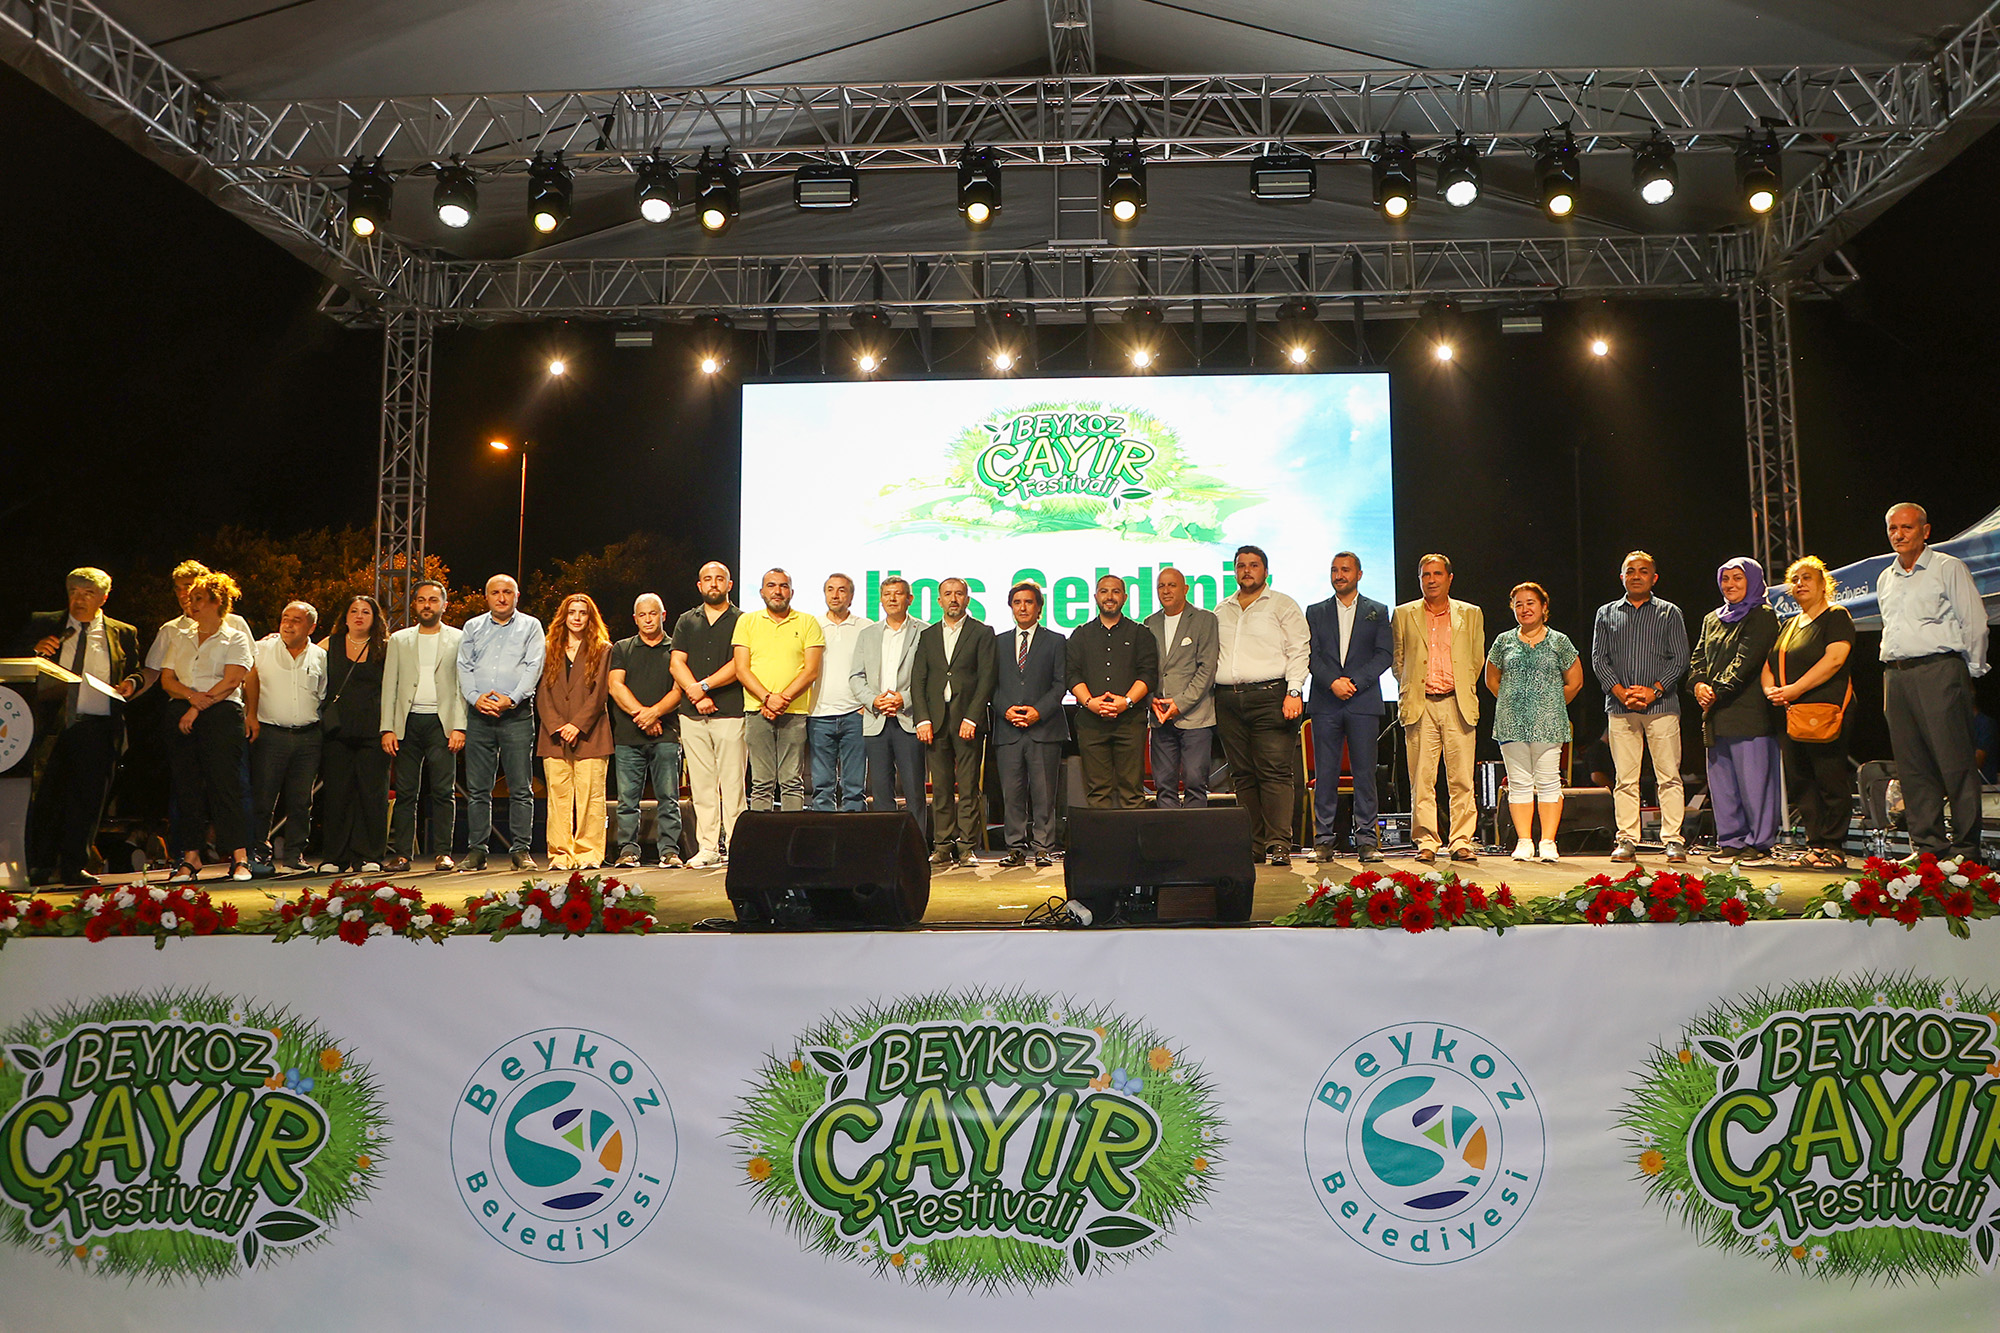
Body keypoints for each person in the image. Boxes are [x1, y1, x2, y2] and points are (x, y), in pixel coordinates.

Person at [1876, 502, 1988, 860]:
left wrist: (1970, 670)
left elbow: (1974, 622)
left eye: (1907, 527)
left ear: (1925, 531)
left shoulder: (1947, 567)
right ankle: (1928, 848)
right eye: (1893, 528)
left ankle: (1965, 850)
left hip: (1939, 670)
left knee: (1955, 762)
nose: (1899, 535)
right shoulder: (1885, 577)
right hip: (1896, 675)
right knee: (1912, 765)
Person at [20, 567, 143, 887]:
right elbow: (17, 662)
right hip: (52, 725)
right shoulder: (45, 623)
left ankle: (75, 865)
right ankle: (40, 865)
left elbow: (135, 670)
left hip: (98, 726)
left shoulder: (122, 632)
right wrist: (35, 652)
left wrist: (131, 683)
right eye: (74, 591)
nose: (79, 599)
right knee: (46, 796)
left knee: (88, 800)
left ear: (104, 598)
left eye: (88, 593)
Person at [1591, 551, 1691, 863]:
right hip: (1620, 708)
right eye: (1630, 570)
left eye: (1643, 571)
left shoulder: (1669, 612)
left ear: (1654, 578)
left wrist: (1654, 691)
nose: (1636, 575)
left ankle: (1673, 840)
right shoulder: (1606, 613)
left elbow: (1680, 658)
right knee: (1624, 778)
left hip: (1661, 706)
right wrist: (1621, 693)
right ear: (1621, 576)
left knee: (1668, 776)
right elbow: (1599, 659)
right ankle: (1626, 839)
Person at [1213, 545, 1310, 865]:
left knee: (1275, 772)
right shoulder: (1221, 609)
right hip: (1228, 699)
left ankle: (1279, 844)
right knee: (1242, 775)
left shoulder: (1282, 604)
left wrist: (1294, 691)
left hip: (1271, 697)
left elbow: (1299, 650)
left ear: (1265, 571)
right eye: (1241, 565)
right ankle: (1253, 845)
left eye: (1253, 565)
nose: (1247, 571)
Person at [1762, 556, 1857, 871]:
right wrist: (1771, 690)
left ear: (1823, 584)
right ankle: (1815, 844)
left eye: (1807, 578)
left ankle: (1834, 845)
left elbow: (1834, 659)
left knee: (1829, 777)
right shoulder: (1790, 624)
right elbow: (1770, 662)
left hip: (1824, 710)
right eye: (1795, 579)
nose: (1800, 584)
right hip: (1790, 713)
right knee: (1801, 780)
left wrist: (1796, 689)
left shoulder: (1836, 616)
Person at [158, 571, 253, 882]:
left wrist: (196, 707)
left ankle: (239, 857)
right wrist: (190, 698)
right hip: (182, 709)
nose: (191, 603)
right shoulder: (180, 635)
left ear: (216, 602)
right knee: (186, 786)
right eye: (190, 598)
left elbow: (232, 680)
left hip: (220, 713)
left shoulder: (234, 636)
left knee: (225, 785)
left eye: (198, 598)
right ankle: (191, 857)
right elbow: (168, 679)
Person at [1392, 554, 1487, 864]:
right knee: (1422, 779)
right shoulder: (1403, 614)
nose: (1431, 580)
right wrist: (1413, 688)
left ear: (1449, 578)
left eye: (1437, 574)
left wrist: (1458, 686)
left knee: (1461, 779)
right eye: (1425, 575)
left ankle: (1461, 840)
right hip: (1421, 705)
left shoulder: (1470, 613)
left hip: (1457, 703)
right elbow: (1398, 662)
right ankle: (1426, 841)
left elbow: (1476, 660)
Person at [1691, 558, 1783, 864]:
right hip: (1716, 714)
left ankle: (1759, 843)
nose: (1730, 584)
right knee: (1723, 785)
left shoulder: (1763, 616)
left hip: (1750, 713)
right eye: (1725, 579)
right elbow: (1698, 658)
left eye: (1737, 578)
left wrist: (1715, 691)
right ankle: (1731, 841)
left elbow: (1746, 660)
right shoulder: (1711, 619)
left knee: (1755, 784)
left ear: (1753, 581)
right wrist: (1698, 685)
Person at [1483, 582, 1583, 863]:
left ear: (1543, 607)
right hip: (1511, 723)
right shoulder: (1503, 641)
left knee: (1549, 781)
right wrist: (1513, 703)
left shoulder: (1559, 641)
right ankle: (1524, 841)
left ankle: (1548, 842)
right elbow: (1492, 680)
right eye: (1519, 604)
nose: (1525, 609)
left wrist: (1549, 704)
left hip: (1549, 723)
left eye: (1530, 603)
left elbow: (1575, 682)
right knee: (1518, 782)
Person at [1305, 552, 1392, 862]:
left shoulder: (1377, 611)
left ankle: (1367, 841)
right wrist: (1333, 682)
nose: (1339, 575)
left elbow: (1384, 654)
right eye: (1334, 570)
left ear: (1359, 574)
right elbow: (1310, 654)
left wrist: (1353, 682)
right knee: (1325, 773)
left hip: (1362, 701)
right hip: (1326, 702)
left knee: (1365, 774)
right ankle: (1323, 841)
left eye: (1345, 570)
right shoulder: (1315, 612)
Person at [457, 574, 546, 872]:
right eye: (495, 592)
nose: (502, 598)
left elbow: (534, 666)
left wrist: (513, 698)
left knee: (521, 787)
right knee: (478, 789)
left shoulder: (531, 626)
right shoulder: (472, 626)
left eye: (507, 592)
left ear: (517, 596)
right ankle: (477, 851)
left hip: (516, 715)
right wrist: (474, 698)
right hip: (479, 715)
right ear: (487, 597)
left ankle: (521, 850)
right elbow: (464, 666)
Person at [379, 580, 465, 872]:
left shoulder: (459, 638)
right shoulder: (399, 639)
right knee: (405, 792)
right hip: (408, 723)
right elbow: (389, 685)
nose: (427, 605)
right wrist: (387, 728)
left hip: (442, 723)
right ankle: (403, 854)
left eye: (433, 600)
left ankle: (443, 853)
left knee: (443, 791)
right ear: (414, 604)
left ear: (444, 605)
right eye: (421, 600)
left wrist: (459, 726)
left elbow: (461, 686)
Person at [912, 577, 996, 866]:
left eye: (959, 593)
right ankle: (942, 844)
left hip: (967, 720)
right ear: (939, 600)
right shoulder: (928, 635)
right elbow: (918, 679)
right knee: (941, 787)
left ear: (967, 599)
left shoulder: (982, 632)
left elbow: (987, 678)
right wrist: (922, 719)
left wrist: (972, 717)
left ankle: (967, 846)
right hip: (935, 722)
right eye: (948, 594)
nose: (953, 599)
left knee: (969, 786)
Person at [671, 562, 745, 868]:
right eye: (707, 579)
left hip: (730, 711)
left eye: (719, 579)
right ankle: (708, 847)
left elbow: (740, 665)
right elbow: (676, 663)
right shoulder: (687, 620)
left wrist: (703, 687)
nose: (713, 583)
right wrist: (696, 694)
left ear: (729, 584)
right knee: (701, 785)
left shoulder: (743, 620)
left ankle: (737, 846)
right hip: (692, 714)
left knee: (733, 783)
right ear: (699, 585)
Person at [732, 569, 824, 813]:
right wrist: (767, 698)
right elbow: (741, 669)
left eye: (783, 586)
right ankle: (763, 836)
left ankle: (792, 835)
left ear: (791, 592)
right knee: (761, 783)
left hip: (794, 711)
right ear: (762, 592)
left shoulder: (808, 622)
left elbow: (811, 671)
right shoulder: (747, 621)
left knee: (792, 781)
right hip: (757, 710)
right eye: (771, 585)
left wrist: (781, 700)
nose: (778, 591)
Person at [244, 600, 325, 872]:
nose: (288, 624)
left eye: (296, 620)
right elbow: (245, 683)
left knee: (302, 801)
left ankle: (294, 855)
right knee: (264, 798)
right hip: (270, 734)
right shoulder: (261, 649)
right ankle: (258, 854)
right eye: (285, 618)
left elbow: (323, 694)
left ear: (311, 627)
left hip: (308, 737)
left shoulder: (320, 656)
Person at [991, 582, 1069, 866]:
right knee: (1012, 793)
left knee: (1044, 793)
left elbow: (1061, 684)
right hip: (1008, 729)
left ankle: (1043, 847)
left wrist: (1038, 711)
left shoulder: (1056, 641)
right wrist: (1005, 710)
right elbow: (989, 685)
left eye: (1029, 602)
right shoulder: (997, 642)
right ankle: (1015, 847)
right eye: (1017, 602)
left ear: (1039, 607)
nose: (1022, 607)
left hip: (1044, 729)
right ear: (1011, 607)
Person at [1067, 575, 1158, 809]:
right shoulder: (1080, 635)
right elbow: (1072, 675)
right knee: (1098, 794)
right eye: (1104, 591)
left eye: (1116, 591)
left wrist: (1125, 702)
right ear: (1095, 596)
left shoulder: (1141, 633)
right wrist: (1091, 703)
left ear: (1125, 597)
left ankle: (1134, 836)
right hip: (1091, 724)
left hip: (1130, 722)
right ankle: (1102, 836)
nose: (1110, 597)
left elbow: (1148, 674)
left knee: (1132, 793)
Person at [609, 593, 686, 869]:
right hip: (628, 736)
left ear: (663, 615)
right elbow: (615, 686)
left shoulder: (676, 648)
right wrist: (643, 715)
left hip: (666, 734)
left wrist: (655, 714)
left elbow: (680, 689)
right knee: (627, 800)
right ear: (635, 619)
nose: (648, 619)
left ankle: (669, 851)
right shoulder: (622, 647)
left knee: (669, 797)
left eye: (653, 613)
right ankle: (628, 850)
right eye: (642, 615)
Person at [538, 594, 613, 871]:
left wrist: (577, 725)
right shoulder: (548, 648)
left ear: (590, 618)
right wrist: (558, 725)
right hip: (554, 736)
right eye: (572, 612)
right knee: (557, 798)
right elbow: (541, 693)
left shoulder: (603, 649)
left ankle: (588, 853)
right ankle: (560, 854)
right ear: (564, 616)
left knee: (591, 796)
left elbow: (600, 694)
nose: (577, 618)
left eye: (583, 613)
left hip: (591, 734)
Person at [316, 595, 390, 876]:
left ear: (375, 618)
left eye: (366, 612)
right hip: (337, 732)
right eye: (354, 611)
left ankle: (369, 855)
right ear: (345, 617)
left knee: (372, 795)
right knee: (337, 794)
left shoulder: (385, 647)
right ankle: (335, 857)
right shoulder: (329, 644)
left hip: (374, 732)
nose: (359, 616)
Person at [850, 577, 929, 837]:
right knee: (881, 790)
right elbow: (856, 676)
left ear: (910, 599)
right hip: (876, 719)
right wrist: (874, 700)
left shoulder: (925, 632)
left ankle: (915, 845)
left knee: (914, 789)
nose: (892, 599)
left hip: (909, 719)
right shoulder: (868, 634)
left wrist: (904, 698)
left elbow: (930, 678)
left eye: (898, 594)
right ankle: (885, 844)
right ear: (881, 600)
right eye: (887, 594)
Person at [1145, 567, 1219, 810]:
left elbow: (1207, 669)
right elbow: (1145, 669)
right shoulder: (1150, 623)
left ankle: (1193, 834)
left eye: (1172, 585)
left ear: (1185, 589)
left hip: (1195, 717)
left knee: (1195, 783)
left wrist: (1180, 704)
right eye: (1161, 586)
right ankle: (1168, 833)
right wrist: (1151, 700)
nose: (1166, 590)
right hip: (1160, 718)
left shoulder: (1204, 619)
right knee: (1164, 785)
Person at [139, 559, 252, 695]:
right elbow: (152, 672)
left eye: (188, 586)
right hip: (183, 702)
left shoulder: (235, 624)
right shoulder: (170, 629)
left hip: (225, 702)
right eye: (178, 588)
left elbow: (250, 673)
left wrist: (251, 709)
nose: (182, 595)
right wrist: (129, 689)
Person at [809, 574, 872, 812]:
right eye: (830, 589)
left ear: (852, 596)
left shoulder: (866, 627)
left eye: (842, 590)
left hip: (855, 714)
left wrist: (866, 704)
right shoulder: (812, 625)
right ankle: (822, 831)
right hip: (819, 714)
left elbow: (875, 668)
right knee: (822, 787)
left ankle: (853, 831)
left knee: (854, 787)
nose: (835, 595)